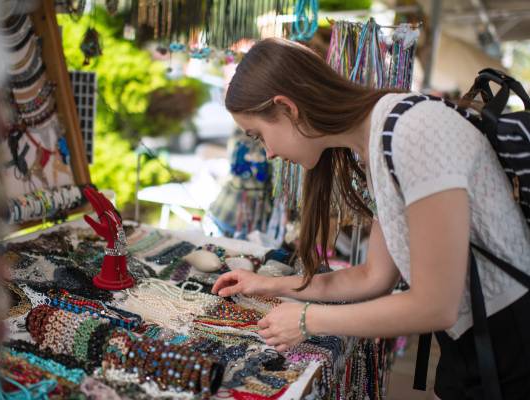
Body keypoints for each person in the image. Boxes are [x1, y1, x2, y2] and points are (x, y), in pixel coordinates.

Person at [211, 37, 530, 399]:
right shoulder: (376, 142)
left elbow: (435, 304)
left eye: (259, 135)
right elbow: (374, 276)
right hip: (471, 343)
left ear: (286, 108)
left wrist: (306, 319)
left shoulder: (412, 131)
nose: (267, 153)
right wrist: (269, 285)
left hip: (512, 342)